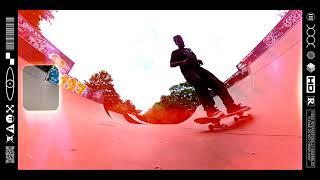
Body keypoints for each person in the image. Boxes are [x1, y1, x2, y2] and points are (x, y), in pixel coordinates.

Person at [170, 35, 248, 118]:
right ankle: (210, 110)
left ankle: (231, 106)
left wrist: (198, 60)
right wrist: (183, 62)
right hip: (189, 71)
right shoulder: (175, 53)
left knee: (217, 83)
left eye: (180, 39)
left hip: (199, 69)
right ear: (176, 43)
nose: (180, 41)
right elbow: (171, 64)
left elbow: (193, 58)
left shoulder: (189, 50)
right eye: (177, 40)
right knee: (199, 83)